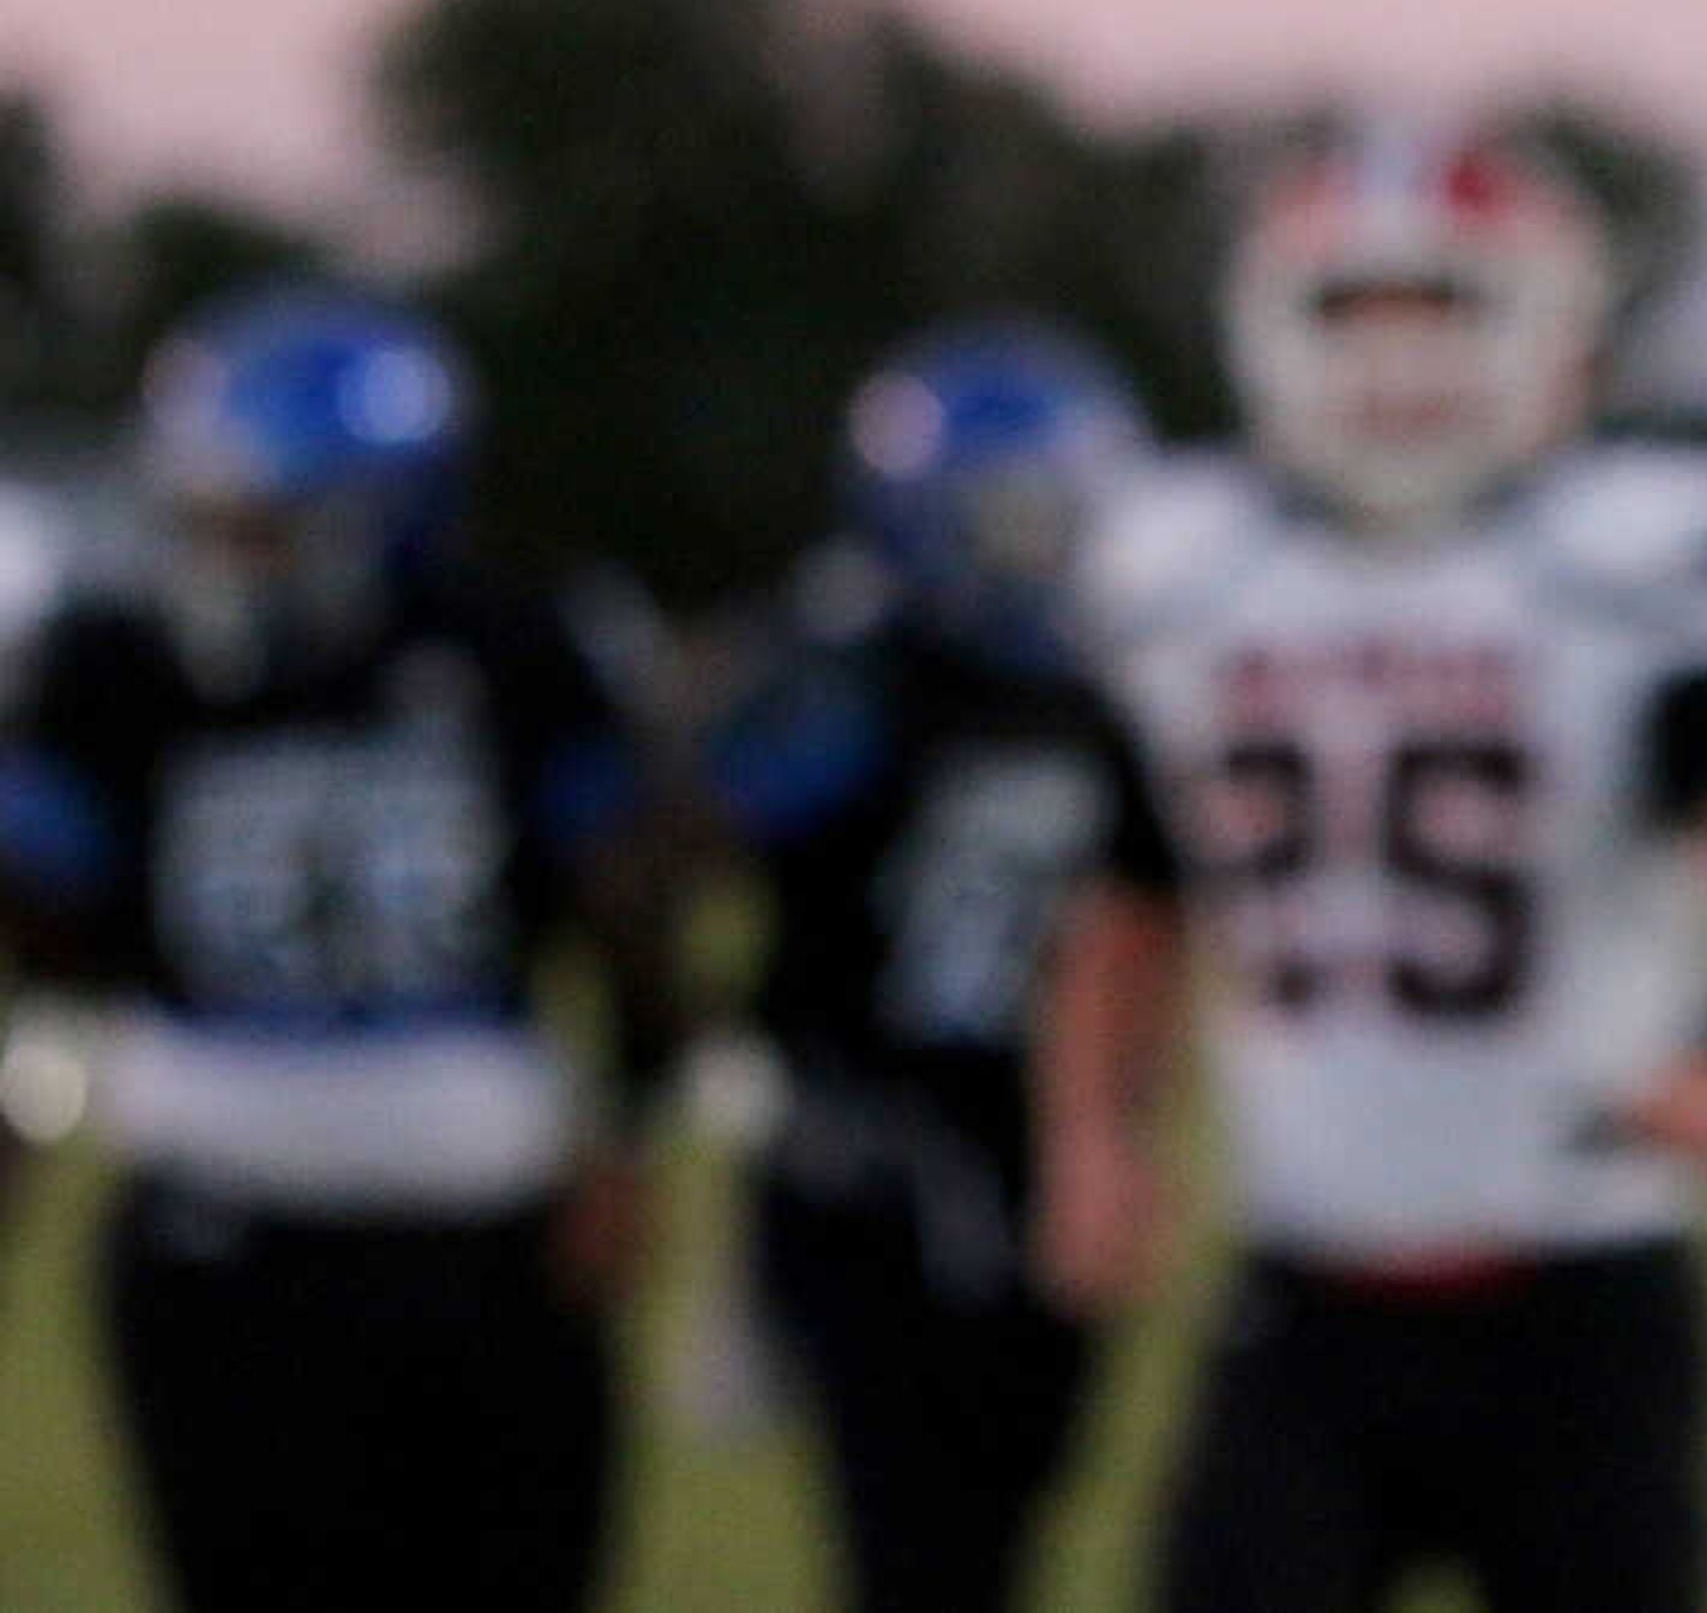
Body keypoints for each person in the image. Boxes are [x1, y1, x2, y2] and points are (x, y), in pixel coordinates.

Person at [1036, 111, 1707, 1613]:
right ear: (1267, 332)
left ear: (1551, 329)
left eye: (1443, 307)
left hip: (1582, 1283)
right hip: (1304, 1285)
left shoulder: (1632, 565)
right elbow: (1131, 907)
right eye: (1353, 312)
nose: (1397, 360)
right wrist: (1099, 1136)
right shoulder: (1191, 575)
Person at [0, 285, 678, 1613]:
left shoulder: (508, 648)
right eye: (204, 512)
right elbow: (40, 910)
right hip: (218, 1218)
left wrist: (632, 1127)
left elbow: (632, 910)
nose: (223, 550)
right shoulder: (115, 659)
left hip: (484, 1230)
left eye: (258, 518)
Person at [707, 320, 1179, 1613]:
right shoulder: (847, 658)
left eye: (1059, 519)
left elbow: (1157, 920)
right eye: (1010, 519)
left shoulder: (1112, 689)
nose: (1041, 553)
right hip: (878, 1161)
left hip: (1046, 1143)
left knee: (1006, 1529)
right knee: (915, 1548)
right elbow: (734, 809)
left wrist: (1120, 1129)